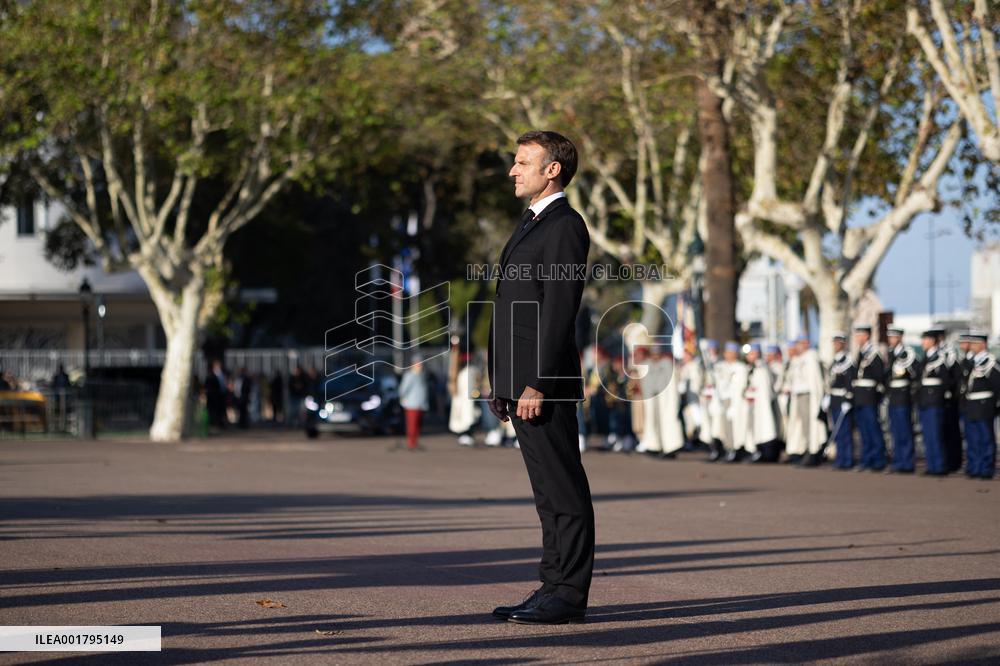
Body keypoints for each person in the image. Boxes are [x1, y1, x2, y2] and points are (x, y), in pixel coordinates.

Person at [486, 130, 593, 625]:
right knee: (547, 494)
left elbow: (558, 312)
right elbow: (513, 310)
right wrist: (501, 381)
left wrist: (539, 382)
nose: (513, 170)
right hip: (522, 383)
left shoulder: (565, 226)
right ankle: (552, 586)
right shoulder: (532, 222)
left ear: (553, 169)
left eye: (523, 161)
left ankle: (568, 594)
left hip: (543, 386)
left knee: (563, 490)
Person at [962, 332, 999, 479]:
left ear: (983, 344)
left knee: (986, 438)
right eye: (971, 343)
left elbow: (997, 386)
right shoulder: (970, 362)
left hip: (984, 405)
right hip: (971, 404)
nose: (972, 346)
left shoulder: (990, 362)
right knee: (973, 439)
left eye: (975, 343)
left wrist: (995, 405)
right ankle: (974, 467)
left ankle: (986, 468)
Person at [851, 325, 887, 471]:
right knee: (864, 431)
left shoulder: (874, 354)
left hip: (869, 396)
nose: (857, 338)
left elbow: (879, 377)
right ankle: (866, 460)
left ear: (866, 336)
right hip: (860, 396)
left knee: (873, 429)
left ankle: (878, 461)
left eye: (860, 335)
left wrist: (876, 396)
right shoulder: (861, 353)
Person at [740, 343, 781, 463]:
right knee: (758, 429)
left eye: (752, 354)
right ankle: (760, 452)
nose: (749, 357)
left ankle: (768, 454)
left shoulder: (762, 369)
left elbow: (764, 390)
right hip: (755, 406)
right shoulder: (752, 369)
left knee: (766, 428)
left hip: (762, 406)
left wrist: (753, 395)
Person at [885, 326, 918, 473]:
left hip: (903, 395)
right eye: (890, 337)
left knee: (905, 430)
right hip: (893, 396)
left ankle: (907, 462)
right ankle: (898, 461)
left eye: (893, 337)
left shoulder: (907, 353)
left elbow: (915, 373)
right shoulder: (891, 353)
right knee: (895, 431)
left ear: (900, 338)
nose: (891, 340)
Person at [917, 328, 949, 475]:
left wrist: (939, 397)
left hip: (934, 401)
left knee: (936, 435)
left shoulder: (940, 358)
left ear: (932, 341)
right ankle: (931, 465)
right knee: (928, 435)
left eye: (925, 339)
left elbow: (945, 381)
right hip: (924, 401)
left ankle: (939, 466)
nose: (923, 343)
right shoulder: (924, 358)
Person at [826, 332, 856, 469]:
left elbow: (850, 381)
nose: (836, 345)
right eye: (835, 343)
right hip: (834, 399)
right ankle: (840, 459)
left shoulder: (848, 360)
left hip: (843, 398)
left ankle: (847, 459)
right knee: (837, 431)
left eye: (839, 343)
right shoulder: (835, 361)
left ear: (843, 344)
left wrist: (848, 399)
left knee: (845, 431)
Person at [708, 341, 741, 462]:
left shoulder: (739, 367)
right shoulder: (721, 366)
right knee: (722, 428)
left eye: (731, 352)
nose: (728, 354)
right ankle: (725, 449)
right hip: (722, 399)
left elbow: (738, 387)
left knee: (733, 428)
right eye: (727, 352)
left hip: (733, 400)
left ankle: (733, 451)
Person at [449, 353, 481, 446]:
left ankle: (468, 435)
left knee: (469, 418)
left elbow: (476, 383)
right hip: (461, 400)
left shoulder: (470, 370)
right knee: (463, 419)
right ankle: (464, 435)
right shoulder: (460, 371)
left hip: (468, 399)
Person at [398, 355, 429, 450]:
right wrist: (402, 399)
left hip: (421, 404)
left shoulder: (422, 375)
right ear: (413, 364)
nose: (420, 365)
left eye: (420, 364)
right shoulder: (409, 375)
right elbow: (403, 389)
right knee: (412, 425)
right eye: (418, 364)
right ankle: (411, 443)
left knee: (418, 425)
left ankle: (415, 442)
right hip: (411, 404)